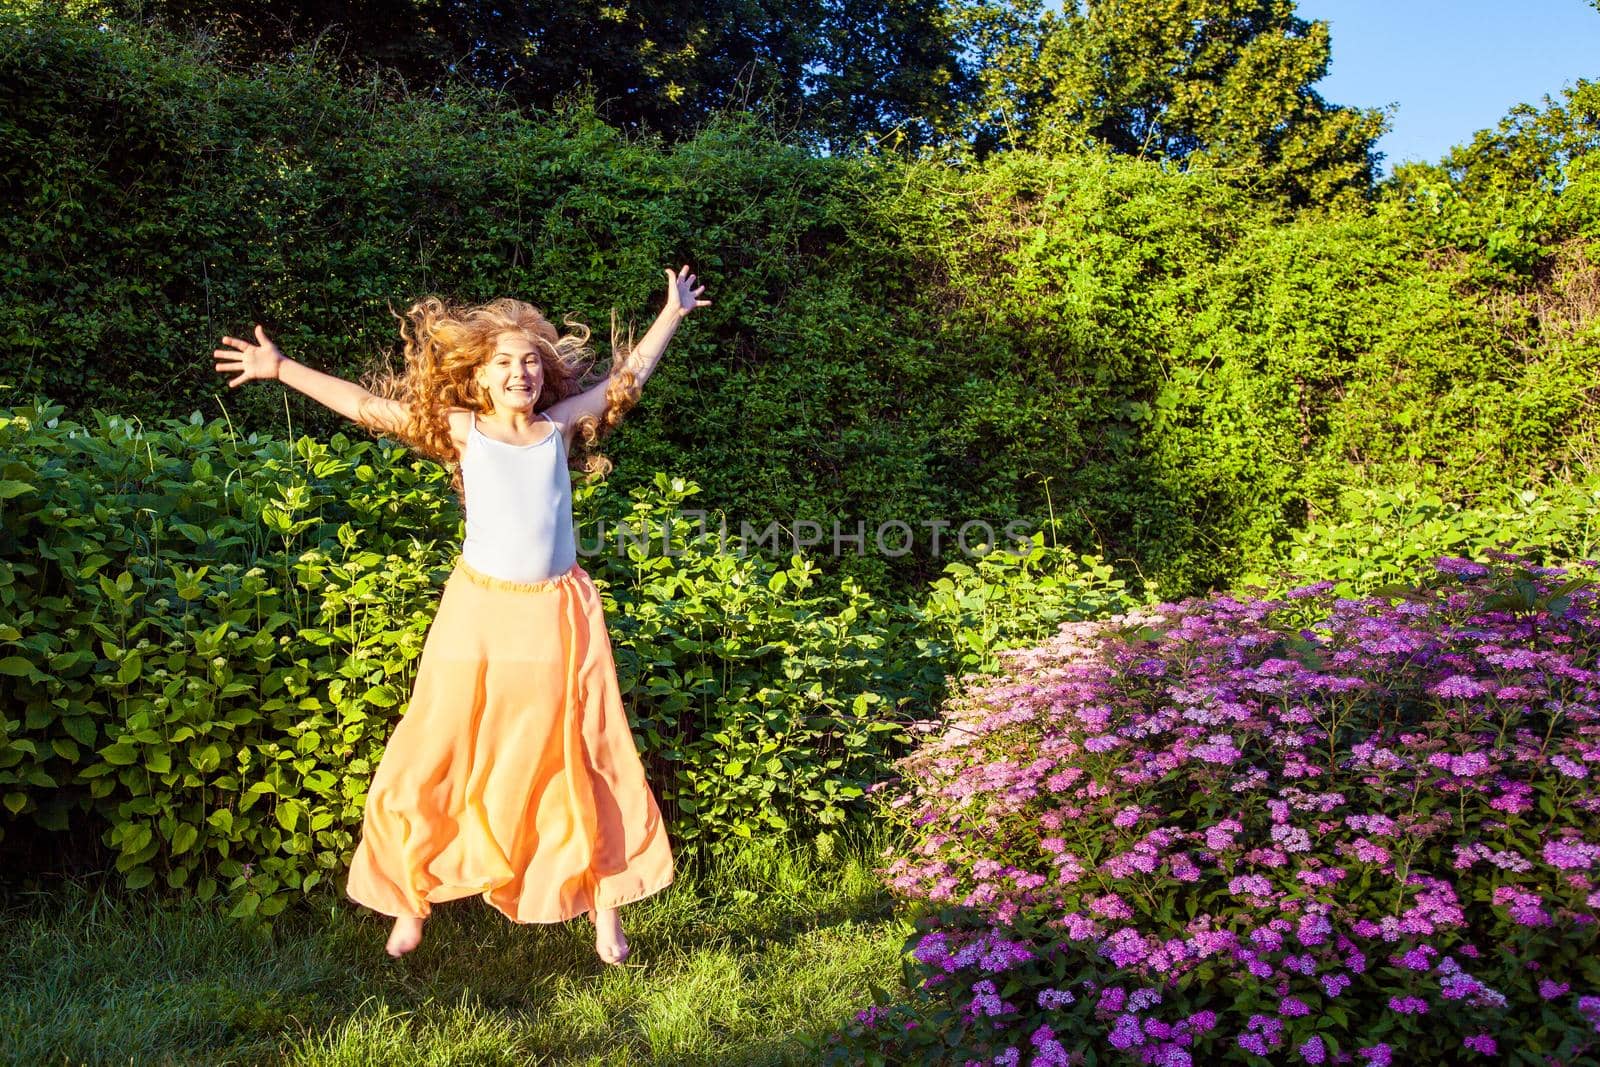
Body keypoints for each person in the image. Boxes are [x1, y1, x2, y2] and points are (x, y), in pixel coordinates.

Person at [213, 266, 710, 963]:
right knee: (437, 747)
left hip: (557, 619)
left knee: (581, 752)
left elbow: (624, 385)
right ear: (478, 379)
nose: (520, 371)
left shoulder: (556, 426)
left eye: (531, 361)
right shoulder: (462, 430)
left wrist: (671, 314)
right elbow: (364, 405)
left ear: (545, 375)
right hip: (476, 615)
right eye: (504, 362)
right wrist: (281, 367)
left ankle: (605, 905)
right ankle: (408, 894)